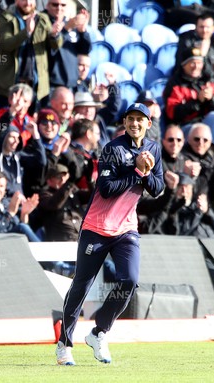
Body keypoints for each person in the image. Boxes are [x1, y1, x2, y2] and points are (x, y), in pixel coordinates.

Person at [56, 103, 164, 366]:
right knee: (82, 284)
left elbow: (158, 188)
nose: (135, 124)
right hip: (96, 227)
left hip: (126, 229)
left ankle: (98, 331)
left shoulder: (153, 149)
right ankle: (64, 344)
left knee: (129, 280)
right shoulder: (113, 149)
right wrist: (137, 171)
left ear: (148, 124)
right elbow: (105, 188)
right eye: (131, 119)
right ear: (125, 121)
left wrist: (146, 173)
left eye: (140, 119)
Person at [0, 168, 41, 241]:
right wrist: (10, 214)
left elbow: (19, 228)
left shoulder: (6, 203)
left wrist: (24, 214)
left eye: (1, 186)